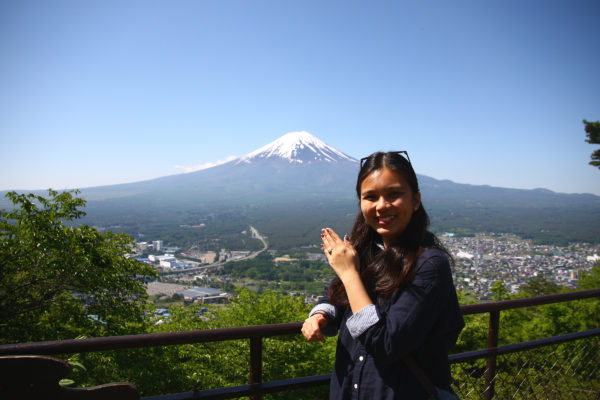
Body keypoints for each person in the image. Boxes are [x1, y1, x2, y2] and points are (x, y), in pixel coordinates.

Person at [301, 151, 465, 399]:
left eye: (394, 195)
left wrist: (349, 273)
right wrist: (322, 313)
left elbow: (385, 342)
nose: (381, 206)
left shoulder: (429, 265)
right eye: (370, 197)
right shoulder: (368, 251)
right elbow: (341, 294)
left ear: (416, 200)